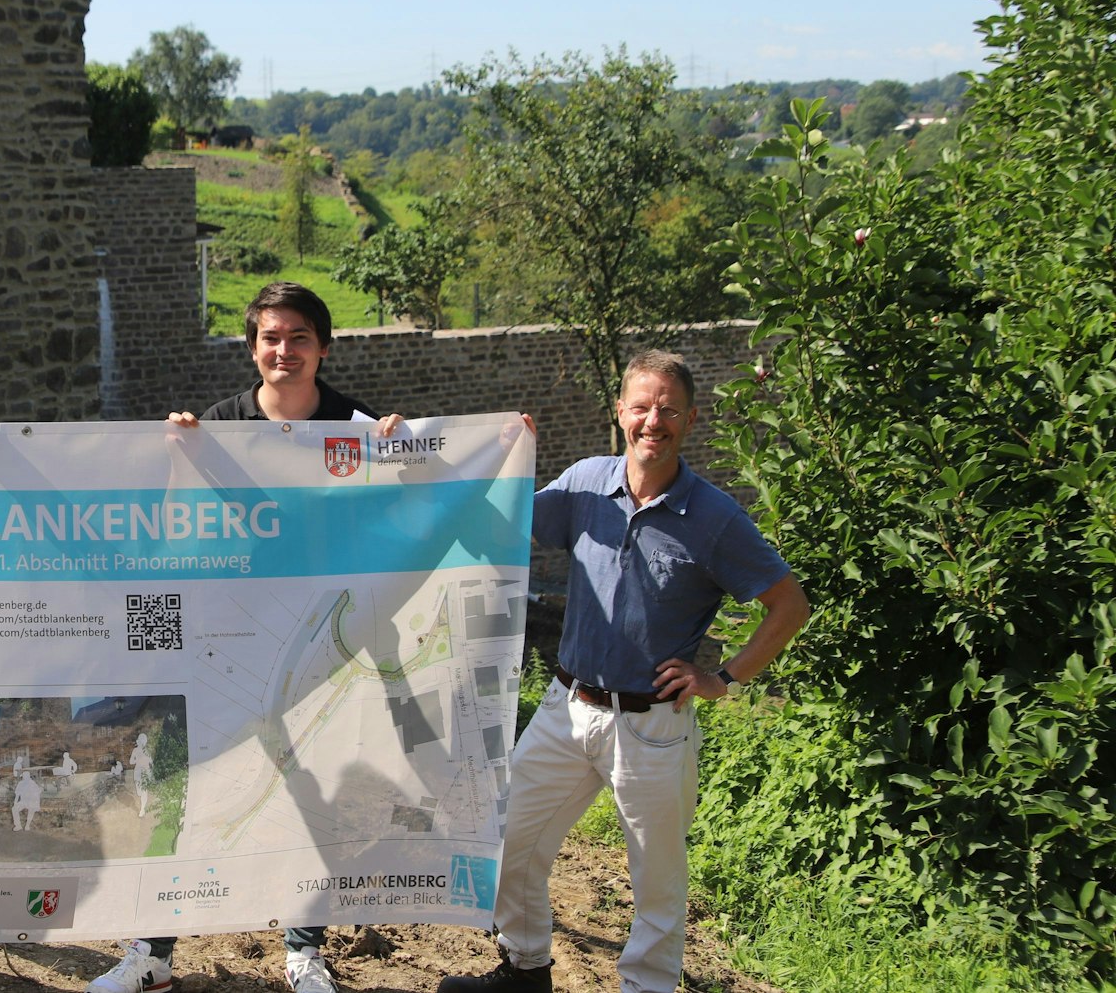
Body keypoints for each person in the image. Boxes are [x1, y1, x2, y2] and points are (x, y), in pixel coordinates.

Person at [437, 350, 810, 993]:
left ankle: (646, 987)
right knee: (508, 839)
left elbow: (789, 605)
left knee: (656, 881)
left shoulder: (715, 518)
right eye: (641, 406)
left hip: (650, 727)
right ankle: (524, 968)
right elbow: (504, 521)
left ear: (690, 420)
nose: (652, 420)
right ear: (620, 413)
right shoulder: (586, 483)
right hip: (566, 707)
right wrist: (493, 453)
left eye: (667, 409)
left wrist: (725, 678)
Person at [87, 282, 403, 993]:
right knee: (182, 789)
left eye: (298, 337)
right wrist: (175, 456)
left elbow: (415, 506)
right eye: (270, 337)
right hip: (219, 642)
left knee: (306, 792)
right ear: (252, 346)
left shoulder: (356, 426)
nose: (283, 350)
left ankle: (304, 947)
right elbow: (169, 532)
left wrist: (409, 450)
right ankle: (152, 951)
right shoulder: (217, 426)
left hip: (314, 648)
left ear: (322, 346)